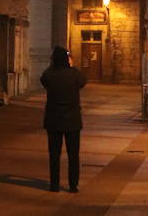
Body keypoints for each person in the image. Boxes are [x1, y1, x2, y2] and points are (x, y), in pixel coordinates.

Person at [40, 46, 87, 193]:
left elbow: (44, 79)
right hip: (72, 121)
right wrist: (71, 65)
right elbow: (83, 81)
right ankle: (73, 185)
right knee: (73, 155)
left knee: (54, 155)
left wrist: (53, 65)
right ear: (67, 59)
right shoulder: (74, 75)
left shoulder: (50, 75)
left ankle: (54, 185)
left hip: (54, 121)